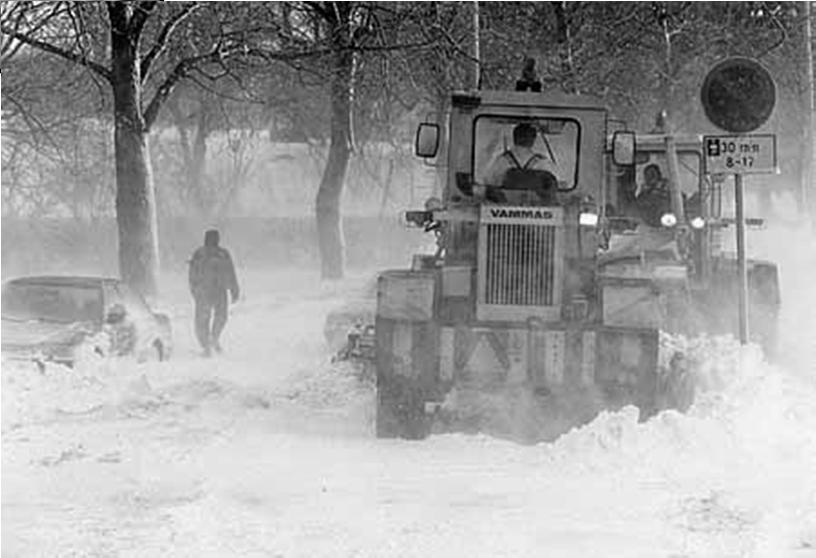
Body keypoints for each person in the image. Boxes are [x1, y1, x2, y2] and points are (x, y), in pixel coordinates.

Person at [188, 229, 240, 356]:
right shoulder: (201, 254)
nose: (213, 240)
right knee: (204, 319)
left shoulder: (222, 254)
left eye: (214, 238)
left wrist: (234, 290)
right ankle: (206, 345)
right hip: (206, 291)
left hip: (217, 291)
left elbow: (230, 272)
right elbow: (192, 274)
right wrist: (194, 290)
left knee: (219, 317)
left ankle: (212, 339)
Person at [483, 123, 558, 204]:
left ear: (514, 138)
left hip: (504, 209)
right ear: (532, 140)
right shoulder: (544, 163)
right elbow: (556, 187)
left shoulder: (501, 161)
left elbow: (489, 184)